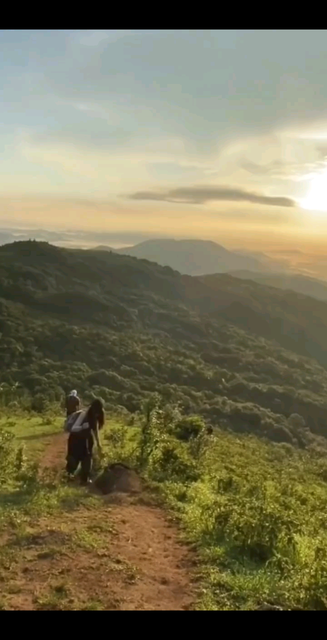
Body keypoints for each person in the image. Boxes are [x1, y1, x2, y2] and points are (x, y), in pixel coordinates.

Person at [66, 399, 105, 485]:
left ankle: (84, 479)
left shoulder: (95, 416)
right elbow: (73, 429)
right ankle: (69, 476)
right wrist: (83, 427)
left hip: (86, 439)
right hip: (75, 438)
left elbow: (95, 432)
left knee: (87, 459)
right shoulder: (83, 414)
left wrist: (99, 445)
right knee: (73, 458)